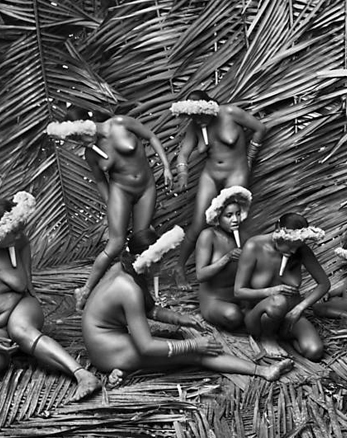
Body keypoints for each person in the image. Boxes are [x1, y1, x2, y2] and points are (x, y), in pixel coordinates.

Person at [82, 227, 293, 385]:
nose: (162, 265)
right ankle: (263, 371)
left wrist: (180, 319)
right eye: (158, 260)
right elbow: (145, 345)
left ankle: (125, 369)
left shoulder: (123, 267)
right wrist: (194, 346)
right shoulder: (128, 288)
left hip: (105, 340)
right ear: (142, 258)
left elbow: (149, 310)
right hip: (107, 350)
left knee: (180, 342)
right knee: (197, 353)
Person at [0, 193, 101, 401]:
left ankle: (82, 374)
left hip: (20, 309)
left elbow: (23, 243)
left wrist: (28, 282)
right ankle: (18, 346)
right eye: (15, 232)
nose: (20, 236)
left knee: (20, 329)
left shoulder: (16, 242)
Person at [46, 106, 173, 310]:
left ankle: (141, 291)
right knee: (116, 244)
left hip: (146, 188)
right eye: (76, 139)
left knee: (141, 241)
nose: (82, 142)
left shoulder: (120, 123)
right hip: (120, 192)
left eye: (82, 136)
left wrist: (166, 166)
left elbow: (151, 136)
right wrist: (110, 203)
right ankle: (85, 290)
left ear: (89, 123)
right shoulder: (91, 154)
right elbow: (100, 181)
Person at [170, 91, 267, 290]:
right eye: (194, 116)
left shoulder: (231, 113)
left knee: (233, 222)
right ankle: (179, 268)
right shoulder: (195, 125)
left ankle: (237, 275)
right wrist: (183, 174)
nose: (198, 120)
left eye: (201, 115)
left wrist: (250, 158)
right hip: (210, 175)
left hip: (236, 173)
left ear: (210, 107)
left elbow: (260, 128)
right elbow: (182, 155)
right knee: (198, 224)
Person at [234, 213, 329, 361]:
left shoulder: (300, 250)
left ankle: (286, 338)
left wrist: (300, 308)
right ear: (278, 232)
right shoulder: (254, 246)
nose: (293, 251)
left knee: (314, 352)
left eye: (298, 246)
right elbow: (239, 292)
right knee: (278, 302)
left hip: (290, 315)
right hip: (259, 317)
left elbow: (324, 284)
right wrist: (270, 291)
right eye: (290, 245)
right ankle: (267, 338)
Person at [195, 186, 252, 331]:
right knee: (233, 315)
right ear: (218, 217)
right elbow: (200, 275)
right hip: (214, 300)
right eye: (229, 215)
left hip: (239, 298)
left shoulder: (244, 237)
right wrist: (227, 258)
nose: (235, 220)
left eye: (238, 214)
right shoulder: (208, 236)